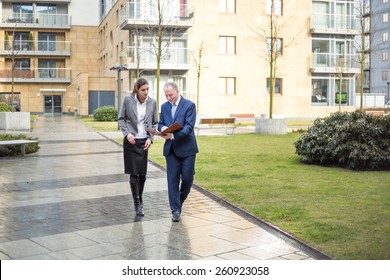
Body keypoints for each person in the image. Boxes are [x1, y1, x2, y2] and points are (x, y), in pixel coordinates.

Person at [158, 82, 199, 222]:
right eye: (166, 95)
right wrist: (163, 128)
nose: (169, 98)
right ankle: (175, 210)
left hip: (187, 149)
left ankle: (180, 200)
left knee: (187, 179)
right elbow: (160, 123)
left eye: (171, 95)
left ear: (177, 91)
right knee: (172, 181)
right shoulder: (164, 107)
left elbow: (189, 127)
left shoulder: (189, 105)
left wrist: (174, 135)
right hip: (171, 150)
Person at [118, 78, 158, 217]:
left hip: (143, 142)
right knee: (133, 173)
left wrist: (150, 138)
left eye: (147, 89)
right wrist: (127, 133)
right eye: (143, 90)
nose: (146, 92)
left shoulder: (152, 102)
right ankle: (137, 202)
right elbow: (121, 119)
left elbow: (154, 122)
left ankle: (139, 197)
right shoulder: (128, 100)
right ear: (137, 89)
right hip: (131, 141)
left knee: (143, 175)